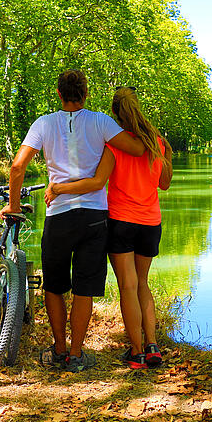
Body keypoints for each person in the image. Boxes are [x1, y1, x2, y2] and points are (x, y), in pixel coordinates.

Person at [2, 70, 144, 372]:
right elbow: (137, 148)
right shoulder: (101, 122)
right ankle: (77, 354)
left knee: (54, 286)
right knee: (84, 287)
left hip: (58, 215)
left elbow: (17, 168)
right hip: (94, 216)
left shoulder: (44, 123)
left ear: (58, 93)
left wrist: (14, 206)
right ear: (86, 93)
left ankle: (59, 350)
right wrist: (115, 137)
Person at [44, 86, 172, 369]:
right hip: (151, 222)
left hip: (122, 221)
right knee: (142, 284)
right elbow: (164, 183)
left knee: (127, 286)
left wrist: (59, 188)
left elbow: (97, 182)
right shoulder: (158, 143)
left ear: (115, 113)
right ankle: (152, 346)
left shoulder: (114, 146)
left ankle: (136, 352)